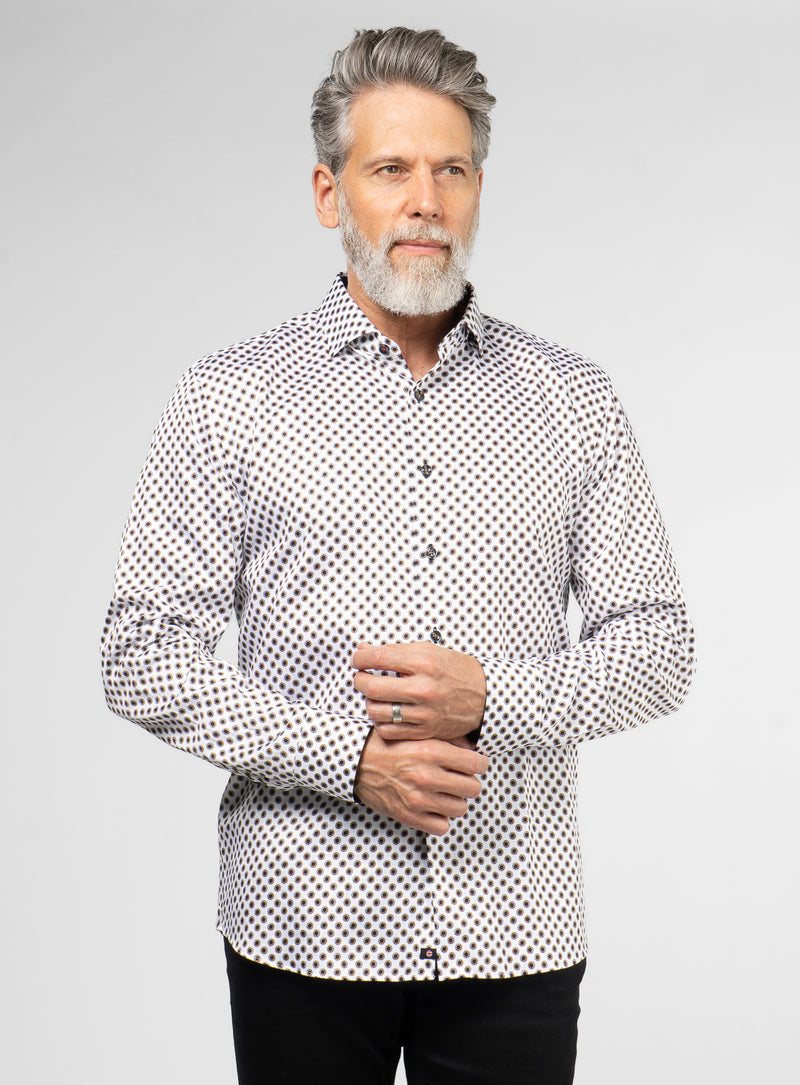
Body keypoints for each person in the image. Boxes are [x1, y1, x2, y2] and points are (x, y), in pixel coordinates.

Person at [101, 26, 695, 1085]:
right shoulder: (228, 398)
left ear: (478, 190)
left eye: (450, 170)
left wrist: (489, 698)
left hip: (515, 927)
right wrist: (351, 761)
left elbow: (657, 649)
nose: (424, 201)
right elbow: (140, 655)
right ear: (329, 193)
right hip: (302, 930)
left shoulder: (573, 399)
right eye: (390, 170)